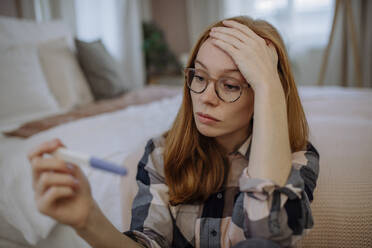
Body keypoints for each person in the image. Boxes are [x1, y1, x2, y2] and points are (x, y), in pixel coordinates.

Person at [27, 16, 320, 248]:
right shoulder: (160, 154)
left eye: (230, 85)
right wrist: (89, 221)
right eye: (200, 76)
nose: (206, 96)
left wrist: (269, 84)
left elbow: (269, 236)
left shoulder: (298, 157)